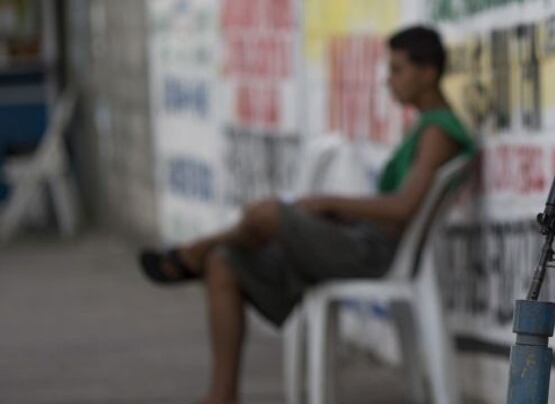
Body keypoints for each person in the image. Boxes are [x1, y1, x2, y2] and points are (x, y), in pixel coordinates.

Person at [138, 25, 474, 404]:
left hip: (375, 253)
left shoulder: (439, 132)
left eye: (398, 70)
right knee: (224, 263)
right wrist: (336, 214)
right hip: (362, 239)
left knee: (268, 213)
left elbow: (403, 209)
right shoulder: (425, 128)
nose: (389, 80)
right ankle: (221, 395)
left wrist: (330, 203)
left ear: (428, 73)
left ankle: (192, 252)